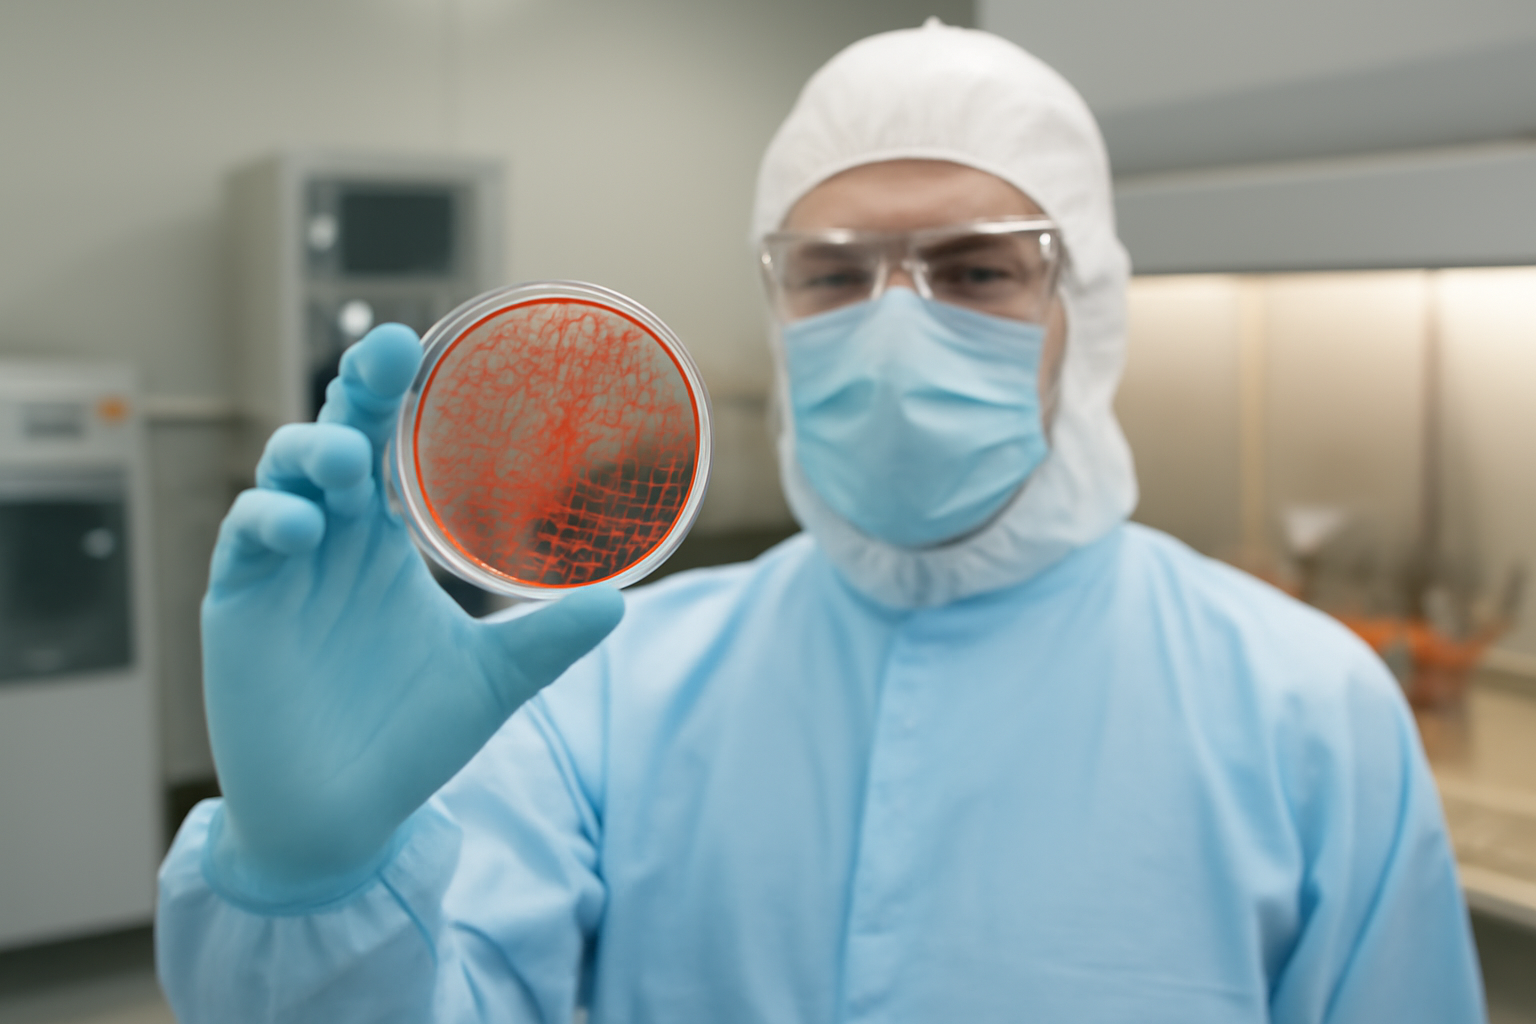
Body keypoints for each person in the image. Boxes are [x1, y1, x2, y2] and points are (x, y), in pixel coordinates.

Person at [157, 20, 1485, 1023]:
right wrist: (313, 886)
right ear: (777, 309)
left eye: (974, 269)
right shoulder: (600, 690)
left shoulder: (1312, 711)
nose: (895, 326)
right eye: (833, 274)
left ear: (1091, 310)